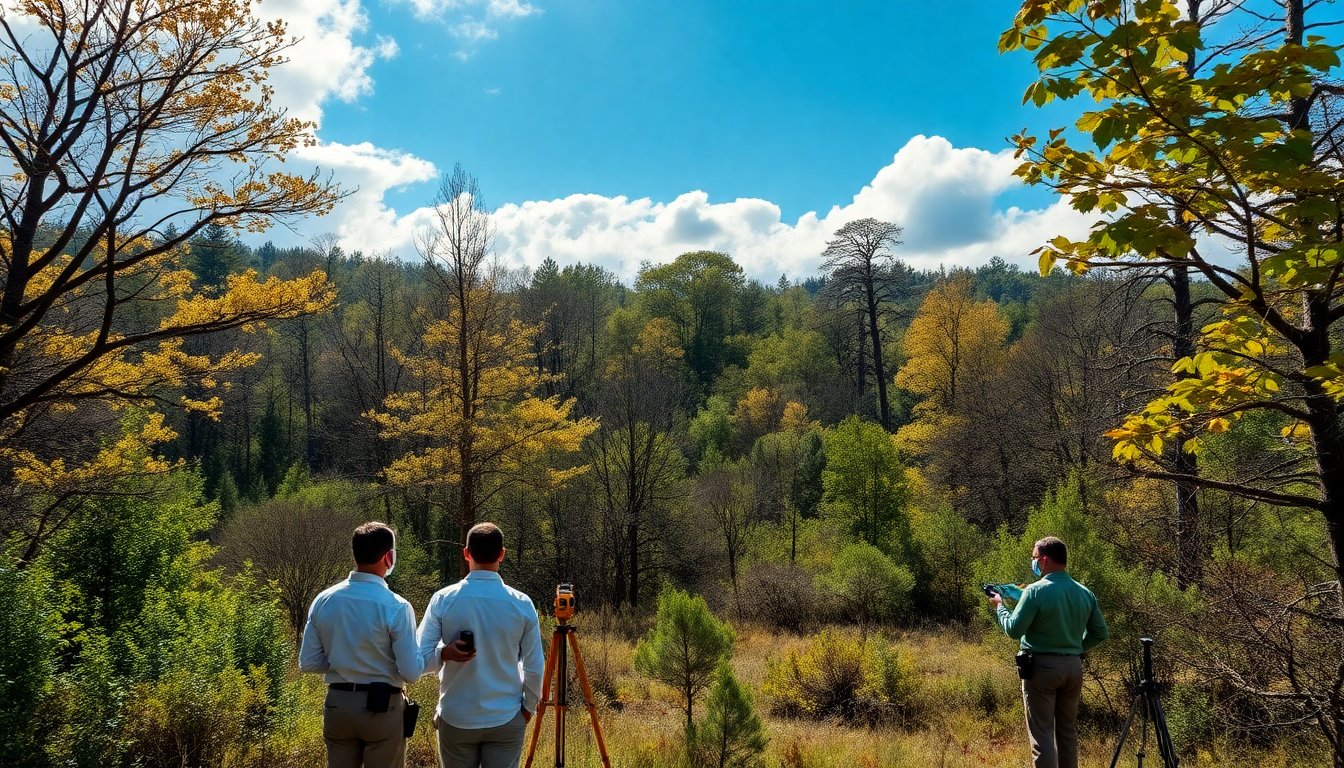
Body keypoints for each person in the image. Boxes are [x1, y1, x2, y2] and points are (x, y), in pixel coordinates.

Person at [417, 522, 544, 768]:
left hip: (456, 717)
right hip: (506, 717)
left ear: (466, 553)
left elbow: (419, 660)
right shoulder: (522, 604)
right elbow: (534, 666)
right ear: (502, 554)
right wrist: (527, 709)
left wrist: (444, 653)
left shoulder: (443, 600)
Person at [300, 521, 422, 768]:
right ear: (389, 558)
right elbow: (411, 672)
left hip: (338, 703)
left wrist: (342, 660)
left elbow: (309, 662)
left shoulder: (324, 600)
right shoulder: (397, 606)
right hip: (382, 705)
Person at [989, 536, 1109, 768]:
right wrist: (1073, 647)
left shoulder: (1035, 591)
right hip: (1073, 668)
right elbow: (1100, 633)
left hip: (1041, 669)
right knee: (1067, 732)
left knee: (1042, 734)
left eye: (1034, 558)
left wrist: (1000, 607)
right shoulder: (1085, 593)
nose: (1032, 562)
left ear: (1044, 560)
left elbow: (1014, 629)